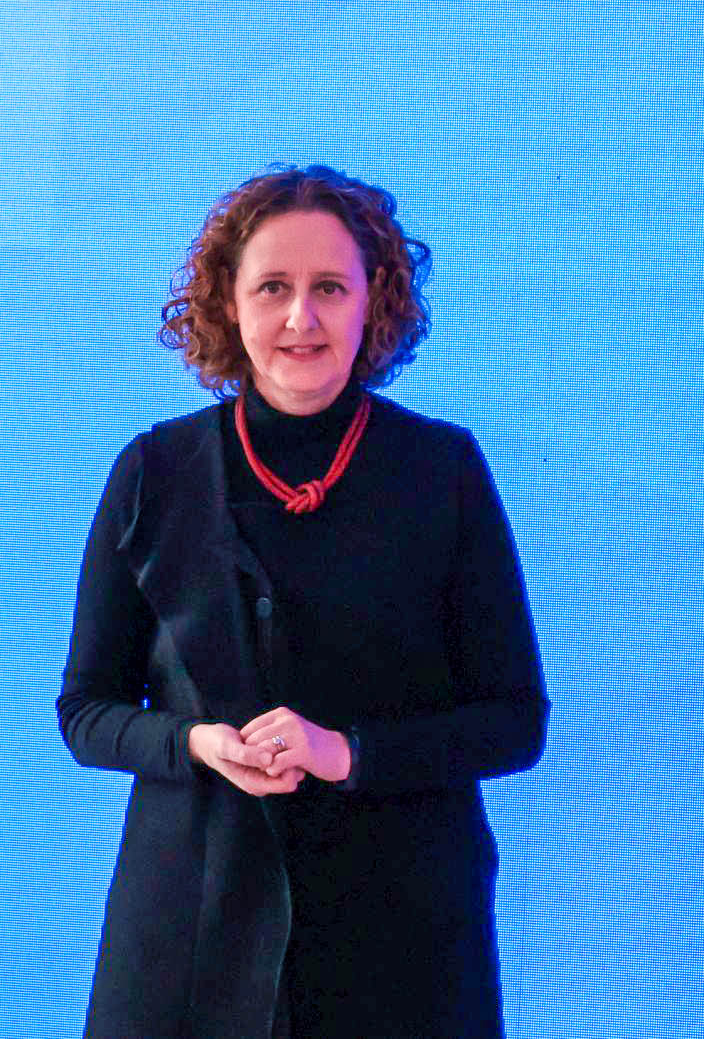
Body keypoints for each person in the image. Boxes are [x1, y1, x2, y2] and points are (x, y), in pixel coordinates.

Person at [57, 165, 548, 1038]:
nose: (300, 318)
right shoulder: (152, 472)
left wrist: (345, 752)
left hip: (402, 937)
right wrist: (196, 742)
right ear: (227, 300)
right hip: (190, 925)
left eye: (330, 287)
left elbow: (515, 721)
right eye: (272, 287)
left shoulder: (441, 471)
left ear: (374, 300)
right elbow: (86, 712)